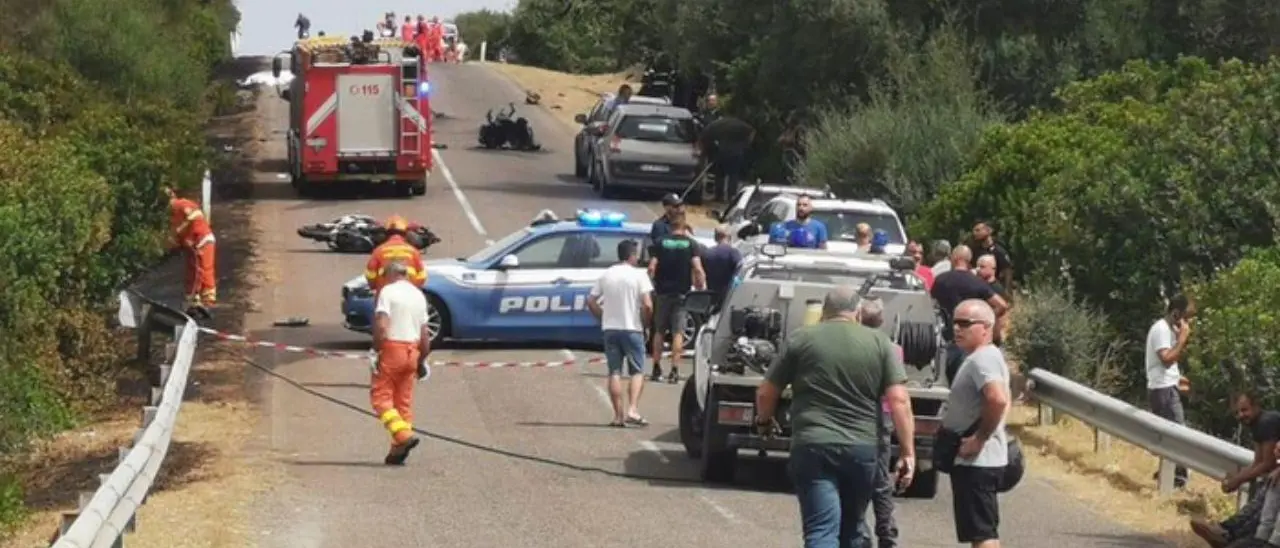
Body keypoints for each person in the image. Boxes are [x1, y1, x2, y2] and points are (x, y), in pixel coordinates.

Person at [756, 286, 915, 548]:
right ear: (858, 312)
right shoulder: (880, 343)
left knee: (821, 529)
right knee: (852, 528)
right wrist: (908, 451)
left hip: (812, 444)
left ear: (824, 312)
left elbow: (766, 393)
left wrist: (764, 422)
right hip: (862, 448)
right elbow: (899, 400)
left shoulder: (801, 339)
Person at [941, 299, 1012, 548]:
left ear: (986, 328)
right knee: (978, 532)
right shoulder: (979, 357)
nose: (957, 329)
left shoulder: (983, 359)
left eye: (965, 324)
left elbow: (997, 399)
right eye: (955, 323)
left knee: (983, 534)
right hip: (974, 460)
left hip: (979, 460)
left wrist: (979, 439)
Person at [587, 240, 654, 427]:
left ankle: (618, 416)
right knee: (637, 371)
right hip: (632, 328)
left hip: (611, 329)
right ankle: (633, 409)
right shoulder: (639, 275)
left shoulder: (607, 274)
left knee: (614, 371)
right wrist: (646, 323)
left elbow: (591, 301)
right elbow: (648, 304)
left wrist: (603, 318)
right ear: (632, 255)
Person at [370, 260, 431, 465]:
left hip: (392, 348)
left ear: (387, 275)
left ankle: (403, 436)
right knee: (402, 404)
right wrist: (421, 361)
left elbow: (382, 325)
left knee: (381, 399)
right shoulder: (418, 295)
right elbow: (425, 336)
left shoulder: (387, 292)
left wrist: (376, 350)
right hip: (412, 350)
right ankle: (397, 450)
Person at [858, 297, 901, 548]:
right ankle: (887, 531)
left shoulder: (855, 347)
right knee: (881, 479)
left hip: (861, 416)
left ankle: (861, 532)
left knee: (857, 478)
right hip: (884, 417)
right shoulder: (893, 348)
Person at [930, 246, 1009, 385]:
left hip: (944, 338)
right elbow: (1002, 305)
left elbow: (930, 305)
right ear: (968, 260)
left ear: (955, 259)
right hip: (969, 341)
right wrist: (985, 320)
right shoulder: (976, 282)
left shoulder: (940, 280)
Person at [647, 212, 706, 384]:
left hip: (663, 293)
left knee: (658, 331)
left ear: (670, 227)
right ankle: (674, 370)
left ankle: (656, 368)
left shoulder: (660, 243)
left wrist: (653, 283)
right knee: (678, 333)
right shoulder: (691, 244)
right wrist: (700, 284)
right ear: (684, 226)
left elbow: (651, 267)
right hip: (681, 294)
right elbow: (697, 268)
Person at [1146, 293, 1194, 489]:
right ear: (1176, 314)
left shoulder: (1166, 330)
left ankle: (1168, 472)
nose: (1189, 323)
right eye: (1187, 318)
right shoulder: (1161, 329)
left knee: (1169, 433)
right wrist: (1182, 339)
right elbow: (1166, 358)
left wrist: (1178, 378)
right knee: (1177, 433)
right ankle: (1178, 478)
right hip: (1163, 390)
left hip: (1166, 386)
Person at [164, 186, 217, 318]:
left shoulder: (181, 204)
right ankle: (194, 302)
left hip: (201, 240)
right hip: (191, 245)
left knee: (204, 271)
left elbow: (195, 215)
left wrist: (181, 229)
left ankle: (207, 303)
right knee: (192, 273)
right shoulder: (171, 215)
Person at [697, 115, 756, 201]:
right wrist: (746, 144)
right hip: (736, 153)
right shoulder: (740, 124)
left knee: (720, 175)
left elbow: (704, 135)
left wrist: (704, 151)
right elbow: (752, 131)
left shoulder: (716, 125)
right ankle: (731, 196)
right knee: (733, 175)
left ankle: (718, 196)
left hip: (722, 152)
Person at [365, 215, 427, 295]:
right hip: (408, 295)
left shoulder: (378, 251)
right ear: (406, 234)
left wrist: (376, 287)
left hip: (384, 295)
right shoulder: (413, 251)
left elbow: (370, 276)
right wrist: (413, 289)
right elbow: (422, 276)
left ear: (386, 234)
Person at [700, 224, 743, 311]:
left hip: (710, 298)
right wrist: (738, 287)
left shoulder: (707, 253)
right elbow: (740, 273)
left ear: (715, 238)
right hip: (727, 297)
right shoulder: (733, 253)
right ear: (729, 237)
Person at [970, 221, 1014, 290]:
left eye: (978, 230)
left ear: (989, 231)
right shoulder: (975, 251)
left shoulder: (999, 251)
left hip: (995, 288)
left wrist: (1007, 289)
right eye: (974, 231)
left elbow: (1007, 271)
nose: (975, 233)